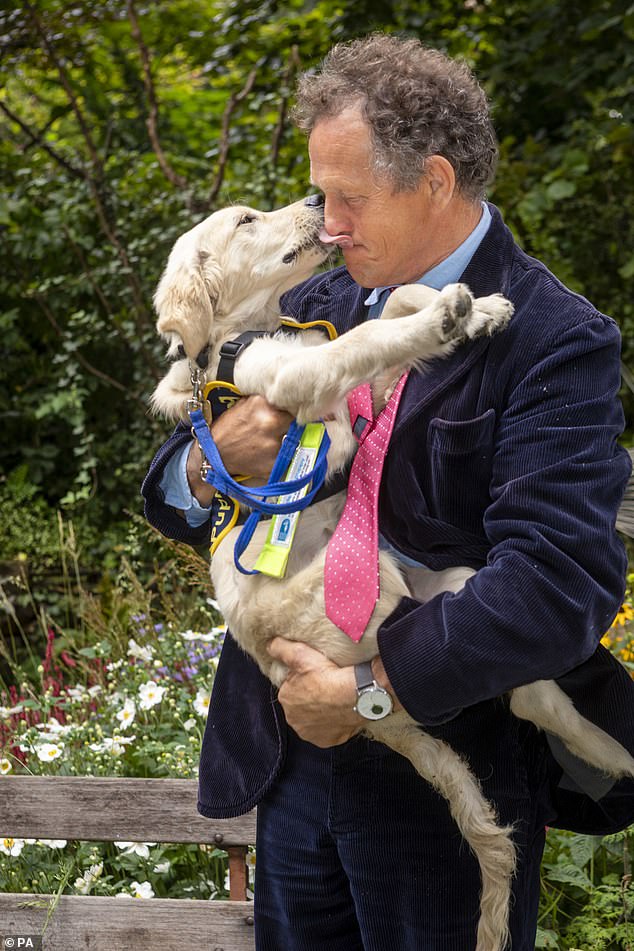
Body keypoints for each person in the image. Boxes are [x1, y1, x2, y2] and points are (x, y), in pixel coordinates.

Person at [142, 34, 634, 950]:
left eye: (349, 199)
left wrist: (370, 689)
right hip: (289, 758)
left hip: (448, 774)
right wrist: (214, 462)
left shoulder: (554, 338)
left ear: (436, 181)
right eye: (321, 196)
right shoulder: (315, 299)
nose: (326, 223)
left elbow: (557, 584)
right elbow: (172, 492)